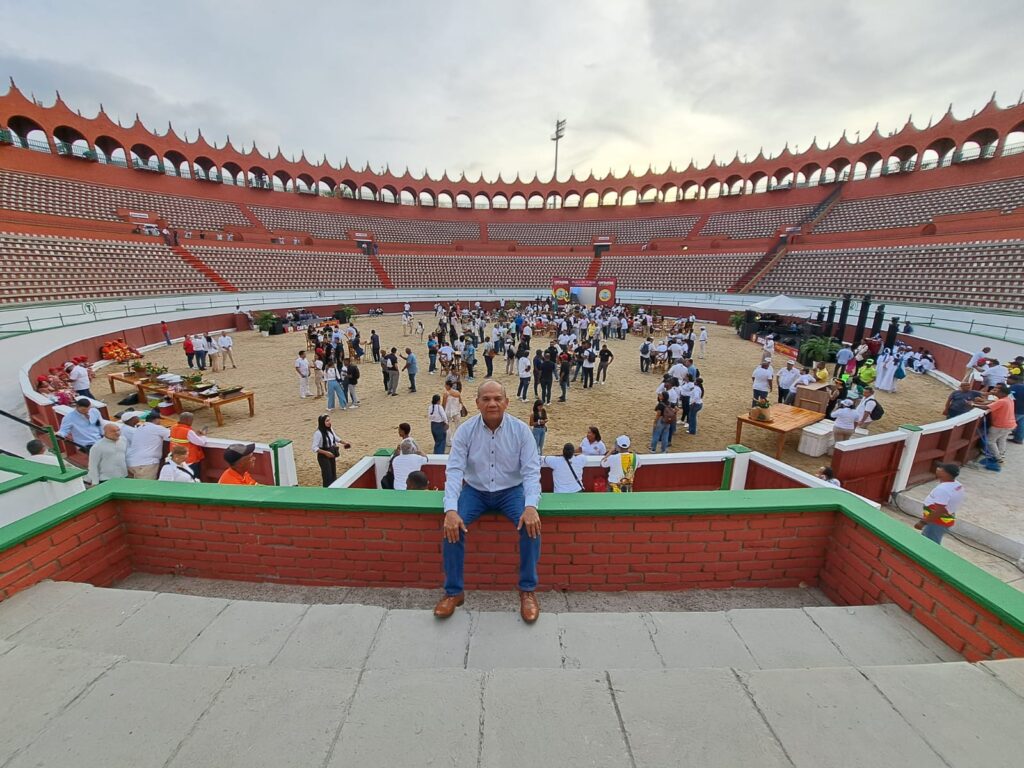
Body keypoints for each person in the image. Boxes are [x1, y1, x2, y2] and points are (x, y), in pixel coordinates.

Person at [435, 381, 542, 623]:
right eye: (486, 399)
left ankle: (527, 590)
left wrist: (531, 505)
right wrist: (450, 508)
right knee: (451, 528)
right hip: (475, 491)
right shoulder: (465, 431)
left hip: (511, 491)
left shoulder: (521, 430)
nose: (492, 403)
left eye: (497, 398)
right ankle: (454, 592)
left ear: (506, 402)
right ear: (477, 403)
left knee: (531, 527)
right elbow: (454, 470)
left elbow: (531, 471)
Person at [914, 463, 964, 545]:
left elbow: (939, 510)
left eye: (941, 469)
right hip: (944, 518)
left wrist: (922, 522)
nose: (938, 469)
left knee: (930, 543)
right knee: (927, 538)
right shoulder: (957, 484)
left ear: (947, 474)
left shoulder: (943, 489)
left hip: (936, 521)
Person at [121, 411, 170, 480]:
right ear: (156, 420)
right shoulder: (156, 428)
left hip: (130, 463)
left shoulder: (139, 428)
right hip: (145, 465)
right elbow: (171, 435)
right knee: (146, 488)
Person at [977, 383, 1015, 463]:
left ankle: (997, 458)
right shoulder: (1008, 399)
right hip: (1010, 424)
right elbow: (990, 403)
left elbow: (986, 407)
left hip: (1000, 425)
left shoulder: (1001, 401)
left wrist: (973, 405)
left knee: (990, 441)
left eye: (997, 390)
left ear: (1002, 393)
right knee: (1002, 439)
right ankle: (1001, 454)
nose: (995, 391)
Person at [313, 414, 351, 487]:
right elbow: (314, 447)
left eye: (329, 420)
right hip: (323, 456)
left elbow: (335, 437)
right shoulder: (318, 433)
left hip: (331, 453)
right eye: (327, 421)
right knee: (327, 475)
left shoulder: (330, 429)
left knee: (333, 473)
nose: (329, 422)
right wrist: (326, 453)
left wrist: (344, 442)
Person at [169, 412, 207, 480]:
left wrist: (195, 435)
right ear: (187, 420)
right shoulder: (187, 431)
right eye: (191, 420)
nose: (192, 422)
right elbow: (201, 442)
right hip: (189, 461)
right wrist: (203, 435)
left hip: (176, 460)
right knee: (193, 480)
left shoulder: (173, 427)